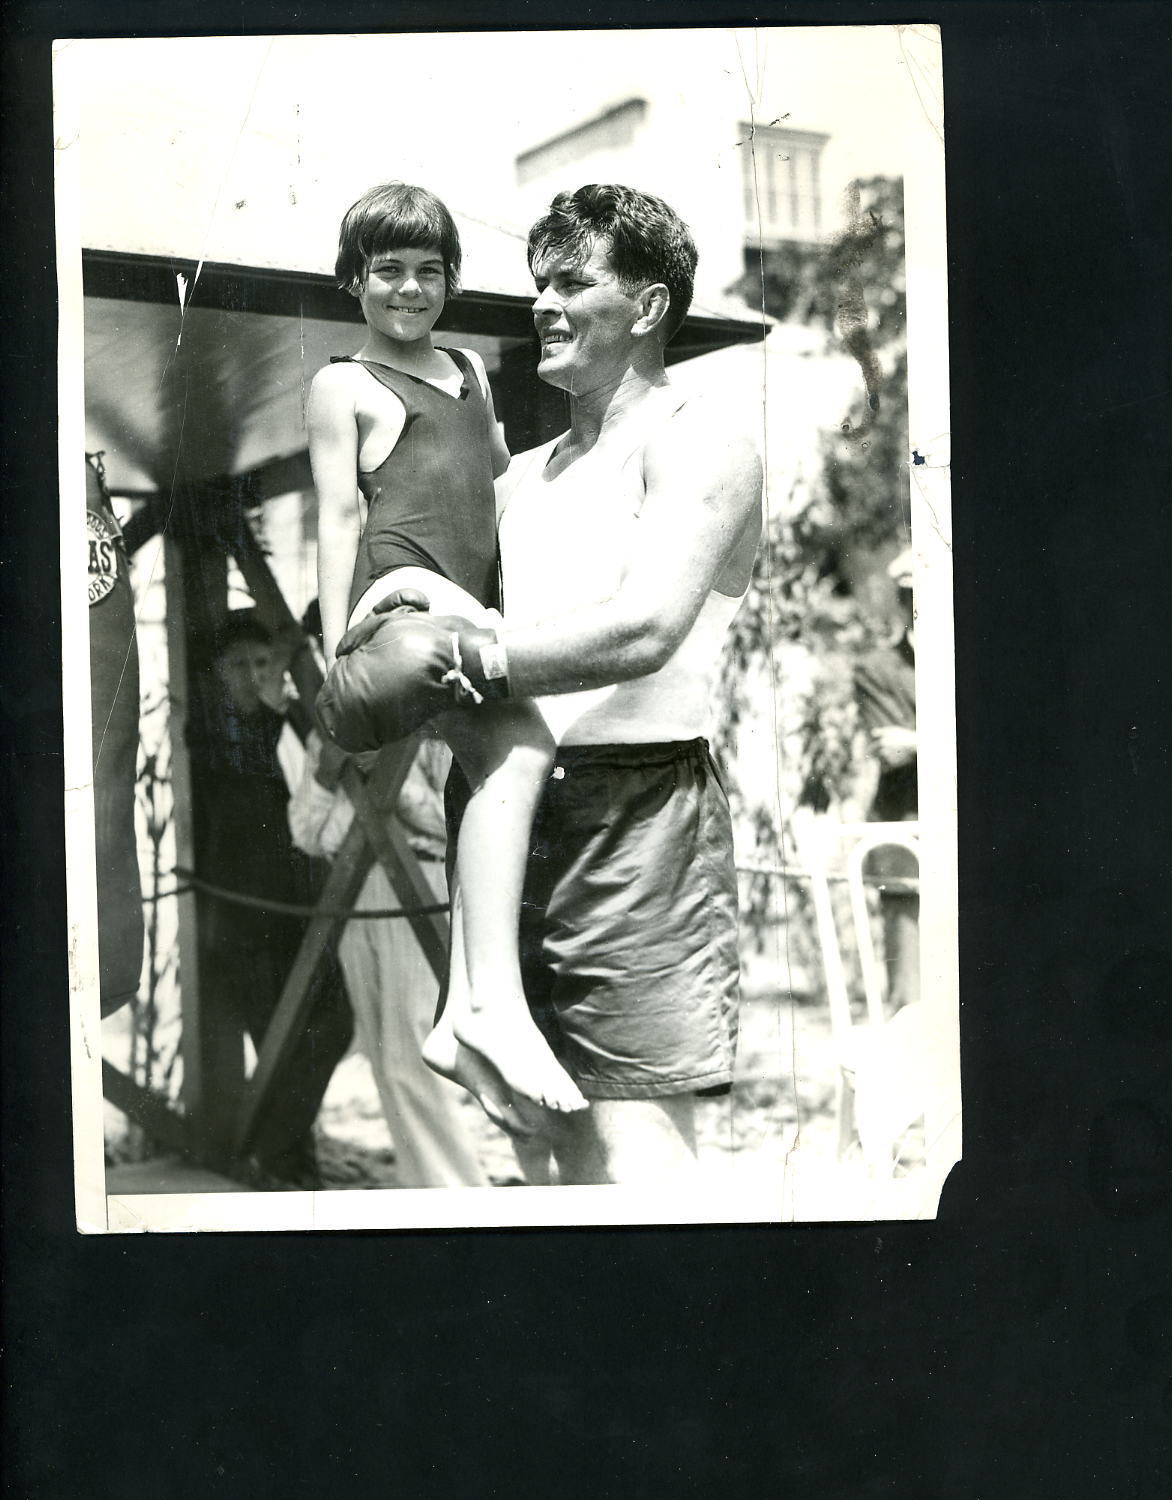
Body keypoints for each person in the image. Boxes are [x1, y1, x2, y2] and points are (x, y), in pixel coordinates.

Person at [327, 184, 763, 1182]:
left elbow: (646, 626)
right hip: (507, 810)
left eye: (572, 282)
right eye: (537, 283)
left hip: (635, 811)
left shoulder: (698, 439)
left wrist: (463, 659)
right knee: (544, 1127)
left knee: (635, 1138)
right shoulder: (519, 476)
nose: (542, 304)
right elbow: (416, 591)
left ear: (647, 308)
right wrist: (382, 626)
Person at [309, 183, 585, 1131]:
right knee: (521, 748)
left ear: (452, 280)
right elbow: (340, 516)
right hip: (398, 614)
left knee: (500, 767)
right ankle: (484, 1007)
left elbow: (499, 476)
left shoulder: (470, 367)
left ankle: (462, 1012)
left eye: (430, 271)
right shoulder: (341, 383)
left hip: (469, 609)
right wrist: (333, 641)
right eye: (389, 270)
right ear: (355, 281)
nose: (411, 288)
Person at [288, 605, 487, 1189]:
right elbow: (308, 832)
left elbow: (456, 823)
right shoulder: (322, 729)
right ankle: (430, 1186)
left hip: (419, 887)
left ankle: (462, 1192)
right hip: (354, 895)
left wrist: (394, 786)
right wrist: (327, 773)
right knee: (384, 1055)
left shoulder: (434, 719)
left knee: (419, 1053)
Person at [190, 611, 354, 1186]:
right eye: (239, 665)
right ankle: (284, 1163)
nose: (254, 676)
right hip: (240, 920)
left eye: (262, 663)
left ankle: (277, 1153)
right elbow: (243, 741)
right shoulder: (212, 732)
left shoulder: (273, 724)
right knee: (280, 1041)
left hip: (291, 912)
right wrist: (276, 689)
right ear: (213, 675)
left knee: (333, 1023)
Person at [853, 548, 919, 1012]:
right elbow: (892, 751)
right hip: (908, 834)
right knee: (911, 999)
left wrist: (919, 740)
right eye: (913, 596)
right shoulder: (877, 670)